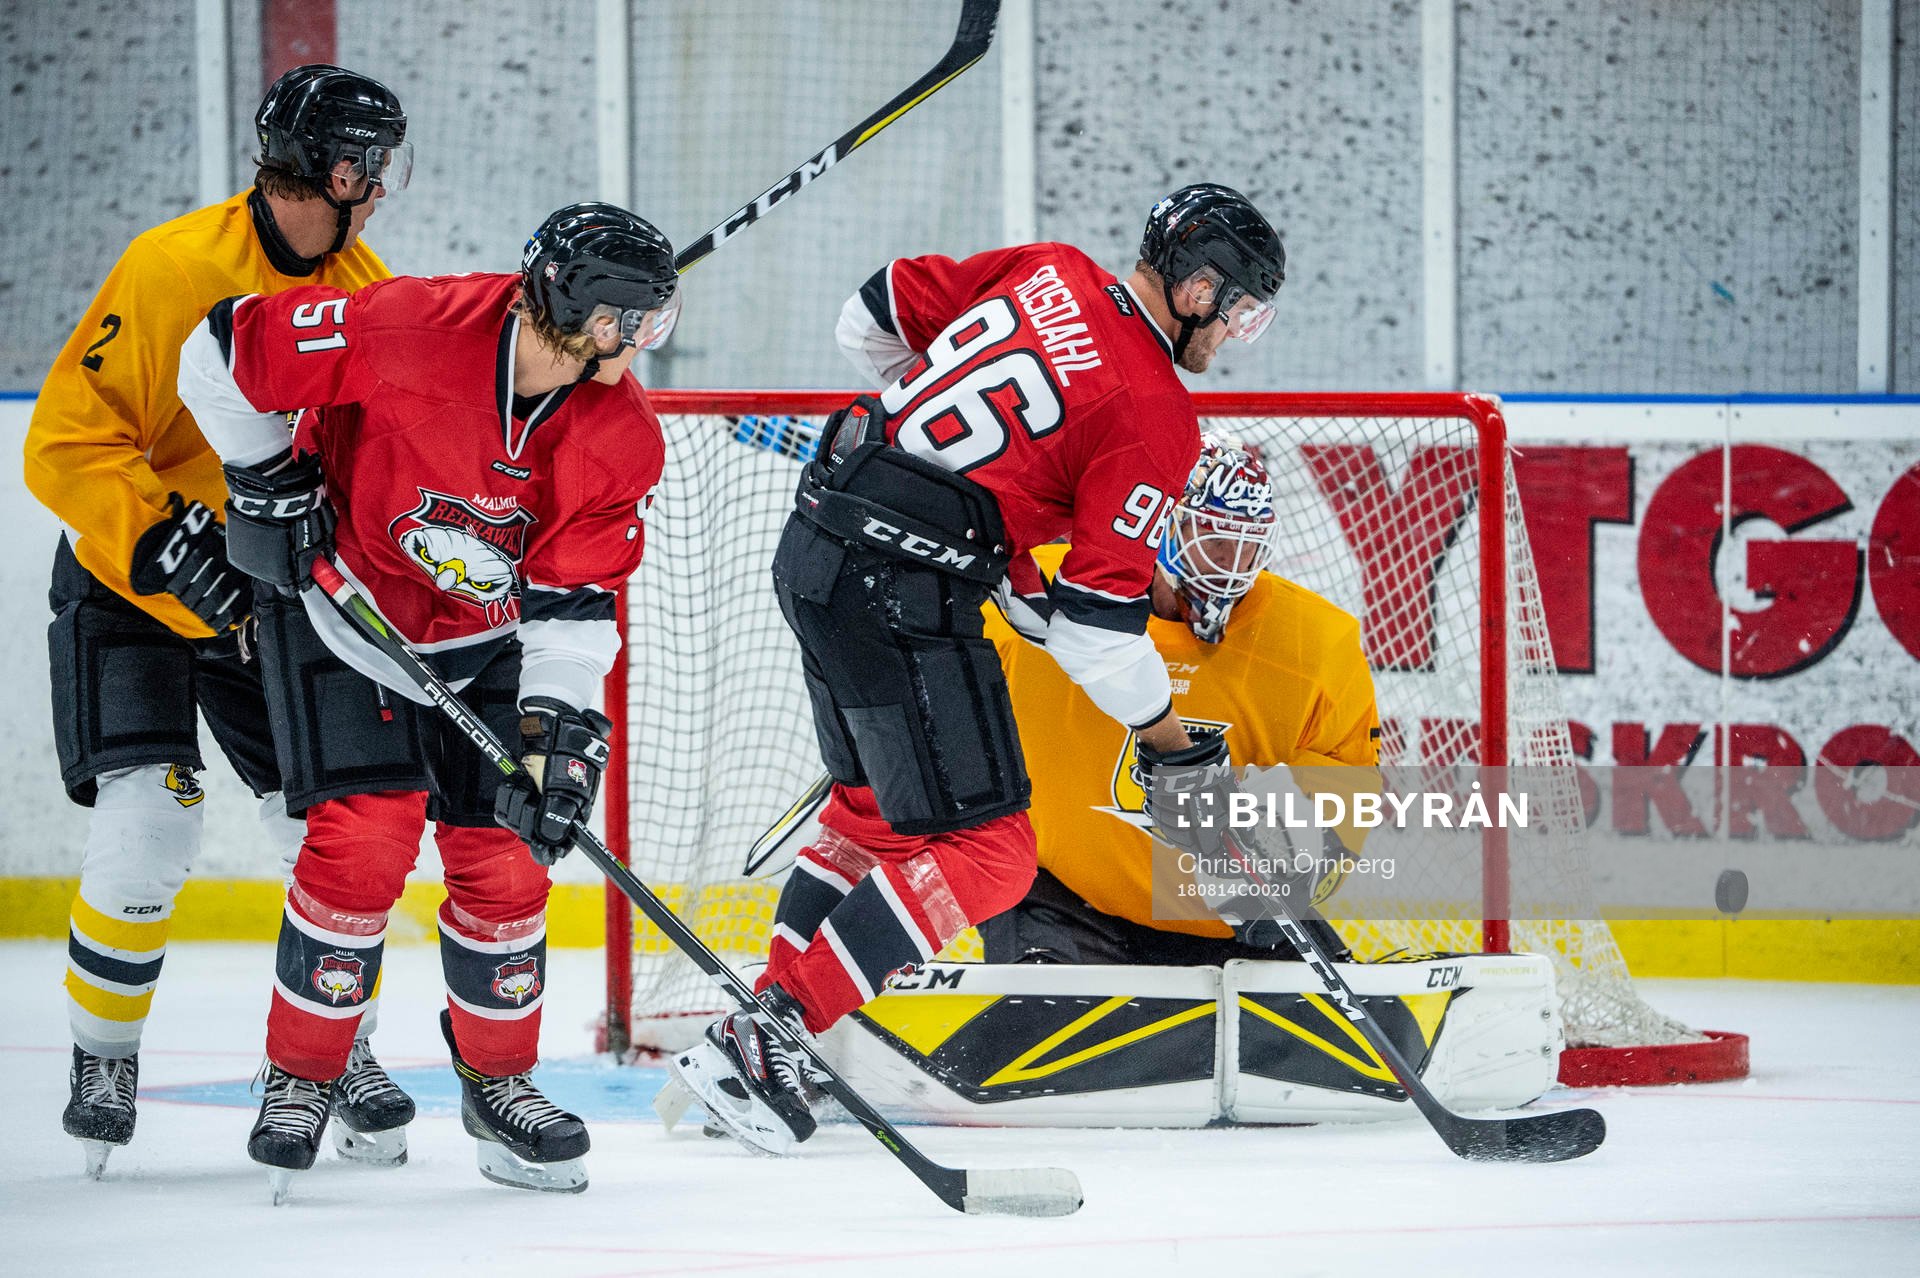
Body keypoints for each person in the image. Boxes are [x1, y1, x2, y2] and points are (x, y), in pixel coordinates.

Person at [667, 183, 1288, 1154]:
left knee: (870, 817)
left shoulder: (1051, 270)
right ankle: (766, 1034)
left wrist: (958, 501)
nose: (1237, 335)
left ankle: (785, 1029)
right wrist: (1172, 749)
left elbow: (864, 316)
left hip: (817, 543)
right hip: (902, 589)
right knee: (995, 856)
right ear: (1200, 288)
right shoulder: (1155, 411)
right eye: (1241, 310)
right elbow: (1094, 631)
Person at [174, 202, 680, 1200]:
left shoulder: (618, 436)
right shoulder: (408, 326)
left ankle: (500, 1084)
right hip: (346, 613)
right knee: (363, 842)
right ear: (583, 312)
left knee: (508, 852)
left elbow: (573, 609)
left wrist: (557, 733)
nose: (644, 345)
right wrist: (267, 477)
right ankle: (302, 1074)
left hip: (485, 636)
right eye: (634, 320)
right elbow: (220, 349)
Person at [23, 63, 415, 1180]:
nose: (380, 188)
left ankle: (338, 1050)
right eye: (370, 165)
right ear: (337, 170)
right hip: (126, 577)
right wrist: (158, 542)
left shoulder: (370, 287)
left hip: (265, 592)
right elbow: (62, 442)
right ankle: (103, 1055)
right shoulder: (173, 269)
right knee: (152, 824)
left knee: (328, 833)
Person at [979, 439, 1380, 967]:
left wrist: (1297, 862)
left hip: (1226, 921)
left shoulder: (1317, 643)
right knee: (1061, 1040)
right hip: (1059, 901)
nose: (1232, 565)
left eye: (1247, 547)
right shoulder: (1031, 596)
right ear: (1160, 524)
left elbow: (1345, 794)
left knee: (1345, 1046)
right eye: (1214, 542)